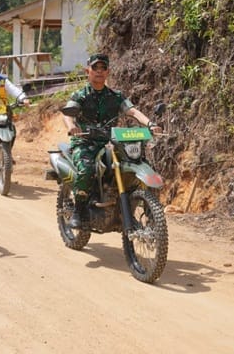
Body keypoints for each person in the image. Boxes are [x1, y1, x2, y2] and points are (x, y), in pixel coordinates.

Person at [62, 53, 162, 228]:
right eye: (95, 68)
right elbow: (68, 114)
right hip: (85, 142)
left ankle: (150, 212)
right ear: (88, 71)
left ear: (108, 72)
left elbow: (132, 111)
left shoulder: (116, 96)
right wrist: (71, 126)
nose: (99, 71)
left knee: (141, 162)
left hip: (110, 142)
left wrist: (150, 124)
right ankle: (79, 210)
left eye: (103, 68)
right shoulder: (80, 95)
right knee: (87, 169)